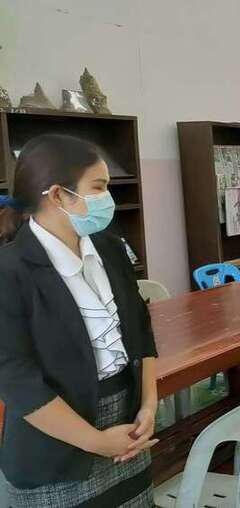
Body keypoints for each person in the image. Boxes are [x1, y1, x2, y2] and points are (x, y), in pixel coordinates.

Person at [0, 135, 159, 507]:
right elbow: (16, 379)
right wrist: (95, 441)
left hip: (127, 433)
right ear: (58, 195)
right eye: (99, 187)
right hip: (56, 453)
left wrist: (149, 406)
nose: (108, 199)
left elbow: (141, 331)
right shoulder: (10, 270)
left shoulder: (110, 247)